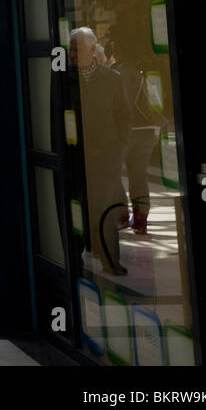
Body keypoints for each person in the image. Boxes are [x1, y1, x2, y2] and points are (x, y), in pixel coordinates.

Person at [66, 27, 132, 275]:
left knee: (105, 209)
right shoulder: (65, 80)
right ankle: (75, 258)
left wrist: (118, 148)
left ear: (93, 51)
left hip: (105, 156)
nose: (73, 54)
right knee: (76, 208)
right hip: (74, 156)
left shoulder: (111, 79)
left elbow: (124, 117)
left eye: (78, 49)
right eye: (71, 49)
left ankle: (110, 260)